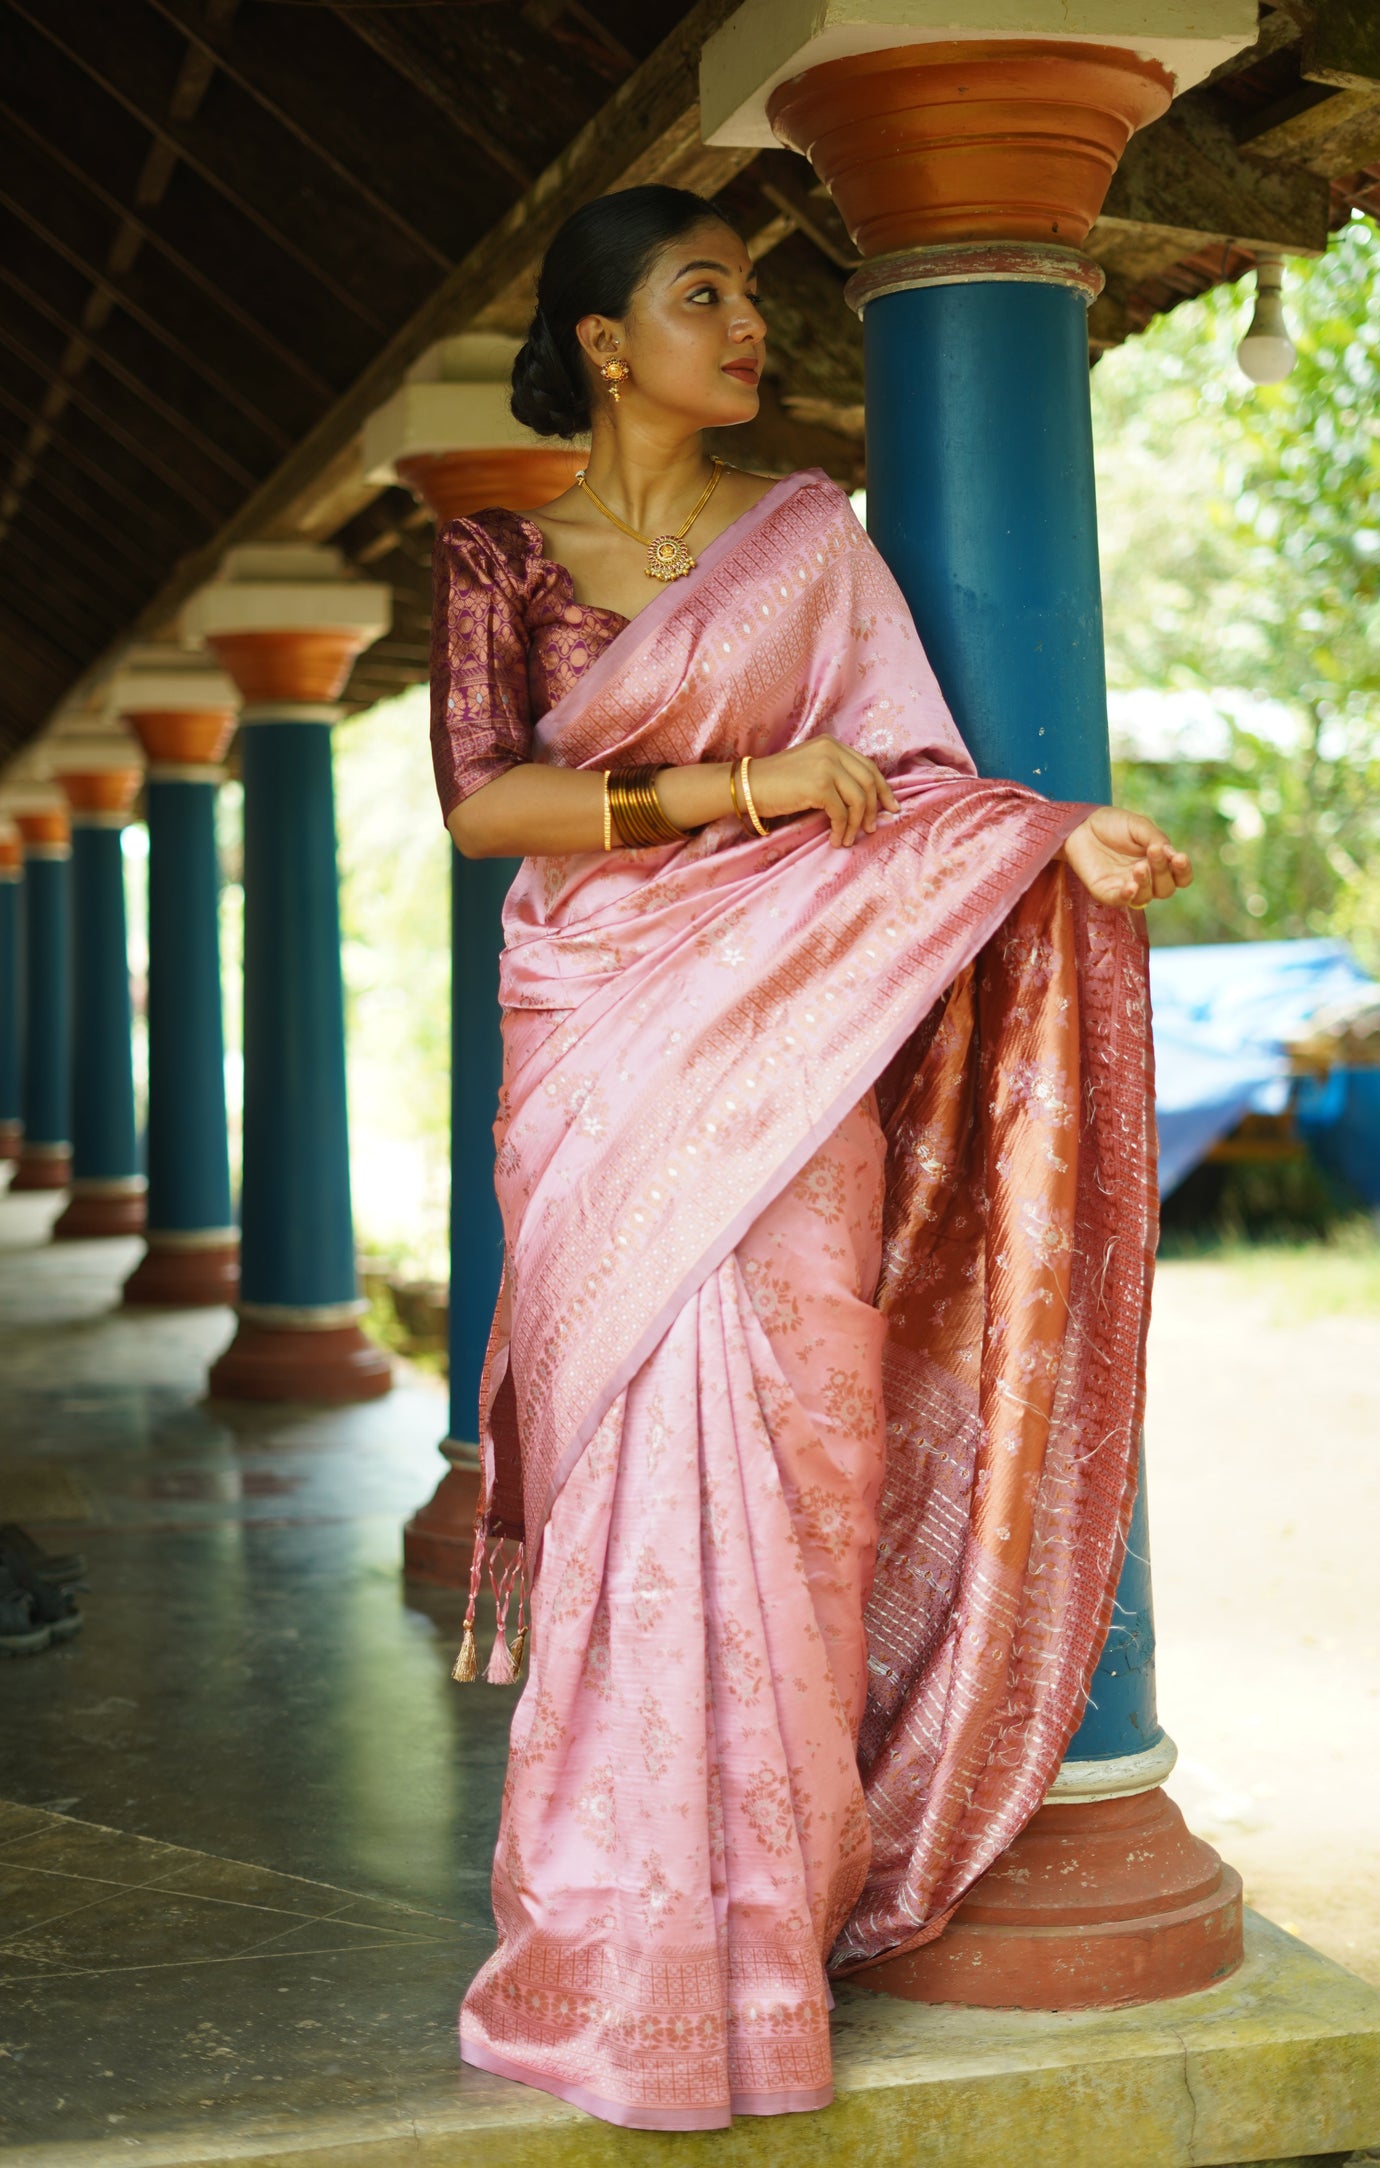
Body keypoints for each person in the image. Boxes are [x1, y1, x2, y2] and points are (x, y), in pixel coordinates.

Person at [429, 183, 1191, 2133]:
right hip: (607, 1045)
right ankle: (617, 1956)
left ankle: (763, 1951)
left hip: (793, 1072)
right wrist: (737, 786)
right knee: (628, 1511)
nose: (748, 328)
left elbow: (923, 784)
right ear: (606, 344)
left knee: (796, 1477)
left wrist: (1052, 841)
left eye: (753, 297)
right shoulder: (503, 561)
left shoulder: (808, 546)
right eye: (707, 296)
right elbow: (492, 801)